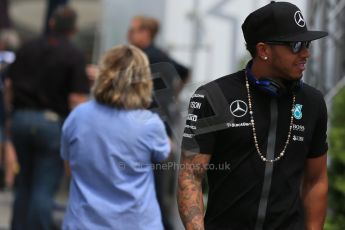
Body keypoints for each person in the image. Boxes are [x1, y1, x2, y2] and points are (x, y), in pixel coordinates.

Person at [177, 1, 328, 230]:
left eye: (306, 43)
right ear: (264, 50)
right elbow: (190, 177)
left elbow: (315, 181)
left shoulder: (313, 102)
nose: (306, 53)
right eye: (296, 45)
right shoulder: (213, 97)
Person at [60, 44, 170, 230]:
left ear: (102, 75)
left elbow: (69, 168)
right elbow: (163, 154)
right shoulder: (150, 124)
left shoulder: (78, 116)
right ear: (143, 81)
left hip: (83, 223)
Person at [7, 5, 89, 230]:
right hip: (52, 124)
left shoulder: (27, 47)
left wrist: (10, 117)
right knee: (44, 187)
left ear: (51, 23)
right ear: (74, 30)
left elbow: (9, 85)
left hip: (21, 119)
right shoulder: (73, 55)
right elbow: (77, 98)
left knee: (24, 184)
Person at [128, 15, 191, 230]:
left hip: (149, 129)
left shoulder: (142, 57)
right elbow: (184, 71)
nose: (130, 34)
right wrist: (173, 94)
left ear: (146, 33)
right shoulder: (159, 55)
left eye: (134, 30)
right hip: (159, 129)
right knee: (155, 187)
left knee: (149, 186)